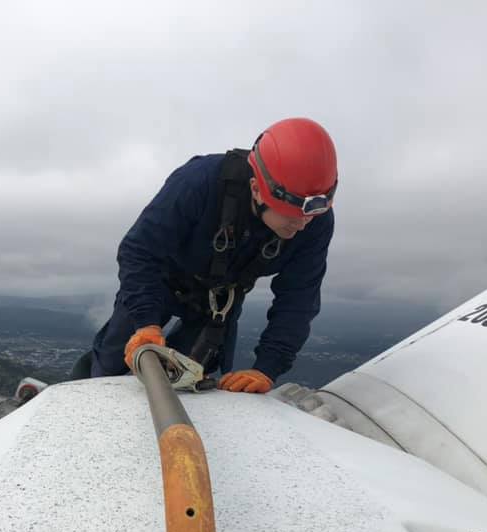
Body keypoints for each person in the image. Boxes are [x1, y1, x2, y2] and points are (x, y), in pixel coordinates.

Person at [75, 118, 337, 393]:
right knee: (110, 365)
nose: (303, 224)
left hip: (220, 300)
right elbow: (140, 250)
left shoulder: (315, 219)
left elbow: (298, 299)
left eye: (311, 214)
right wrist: (145, 322)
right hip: (158, 282)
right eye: (291, 215)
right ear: (256, 190)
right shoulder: (199, 182)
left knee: (191, 380)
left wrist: (267, 368)